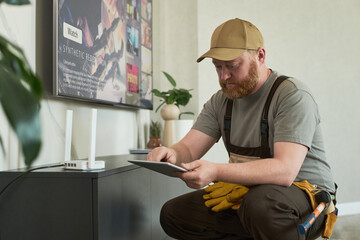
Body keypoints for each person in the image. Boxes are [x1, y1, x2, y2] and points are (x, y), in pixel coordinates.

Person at [147, 18, 336, 240]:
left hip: (306, 199)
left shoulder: (292, 95)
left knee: (260, 206)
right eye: (218, 66)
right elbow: (188, 148)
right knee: (174, 214)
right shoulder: (221, 101)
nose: (224, 76)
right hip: (250, 195)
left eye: (233, 66)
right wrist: (172, 154)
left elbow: (285, 171)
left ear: (261, 56)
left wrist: (216, 171)